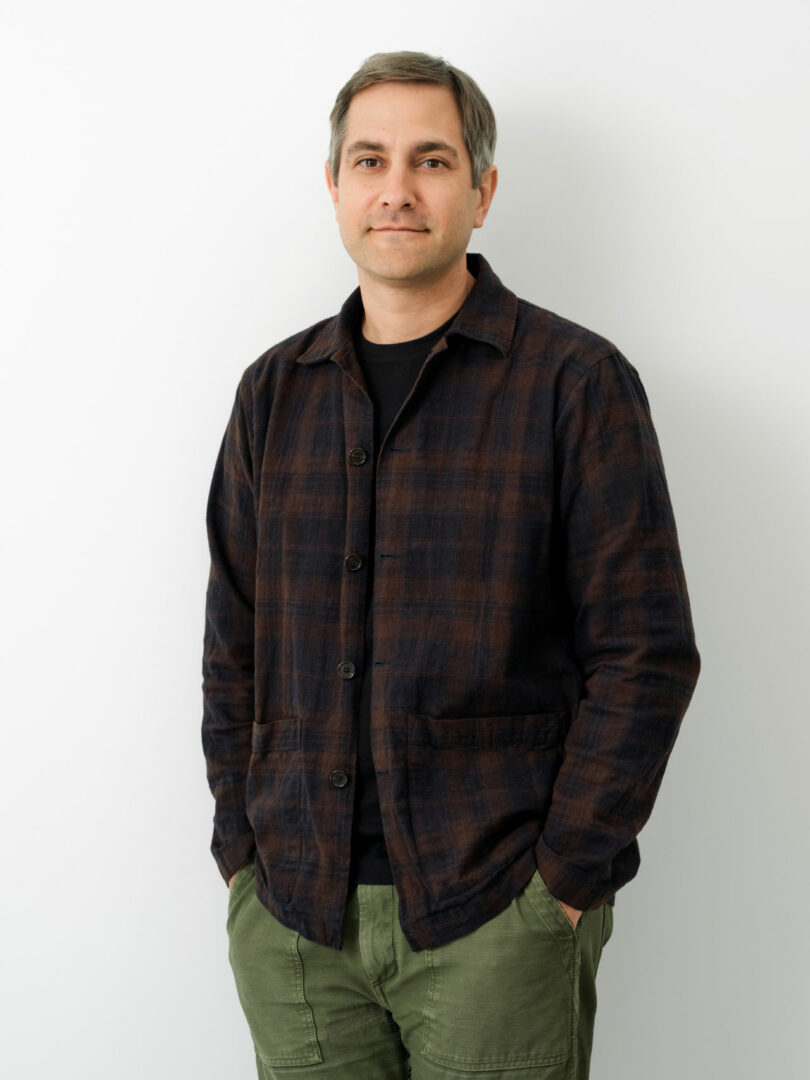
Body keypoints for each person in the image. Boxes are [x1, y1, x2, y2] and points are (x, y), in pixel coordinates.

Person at [202, 50, 700, 1080]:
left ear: (482, 189)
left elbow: (646, 653)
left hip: (495, 917)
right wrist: (241, 860)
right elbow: (233, 644)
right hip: (297, 919)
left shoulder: (577, 385)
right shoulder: (273, 394)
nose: (397, 188)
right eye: (370, 159)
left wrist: (559, 885)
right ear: (333, 186)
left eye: (432, 160)